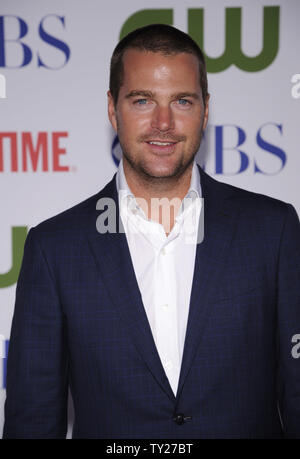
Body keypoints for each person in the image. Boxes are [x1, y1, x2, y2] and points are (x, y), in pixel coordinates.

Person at [3, 24, 300, 439]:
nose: (164, 122)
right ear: (113, 109)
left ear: (206, 109)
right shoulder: (54, 248)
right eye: (142, 100)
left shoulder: (274, 230)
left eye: (182, 100)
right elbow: (31, 421)